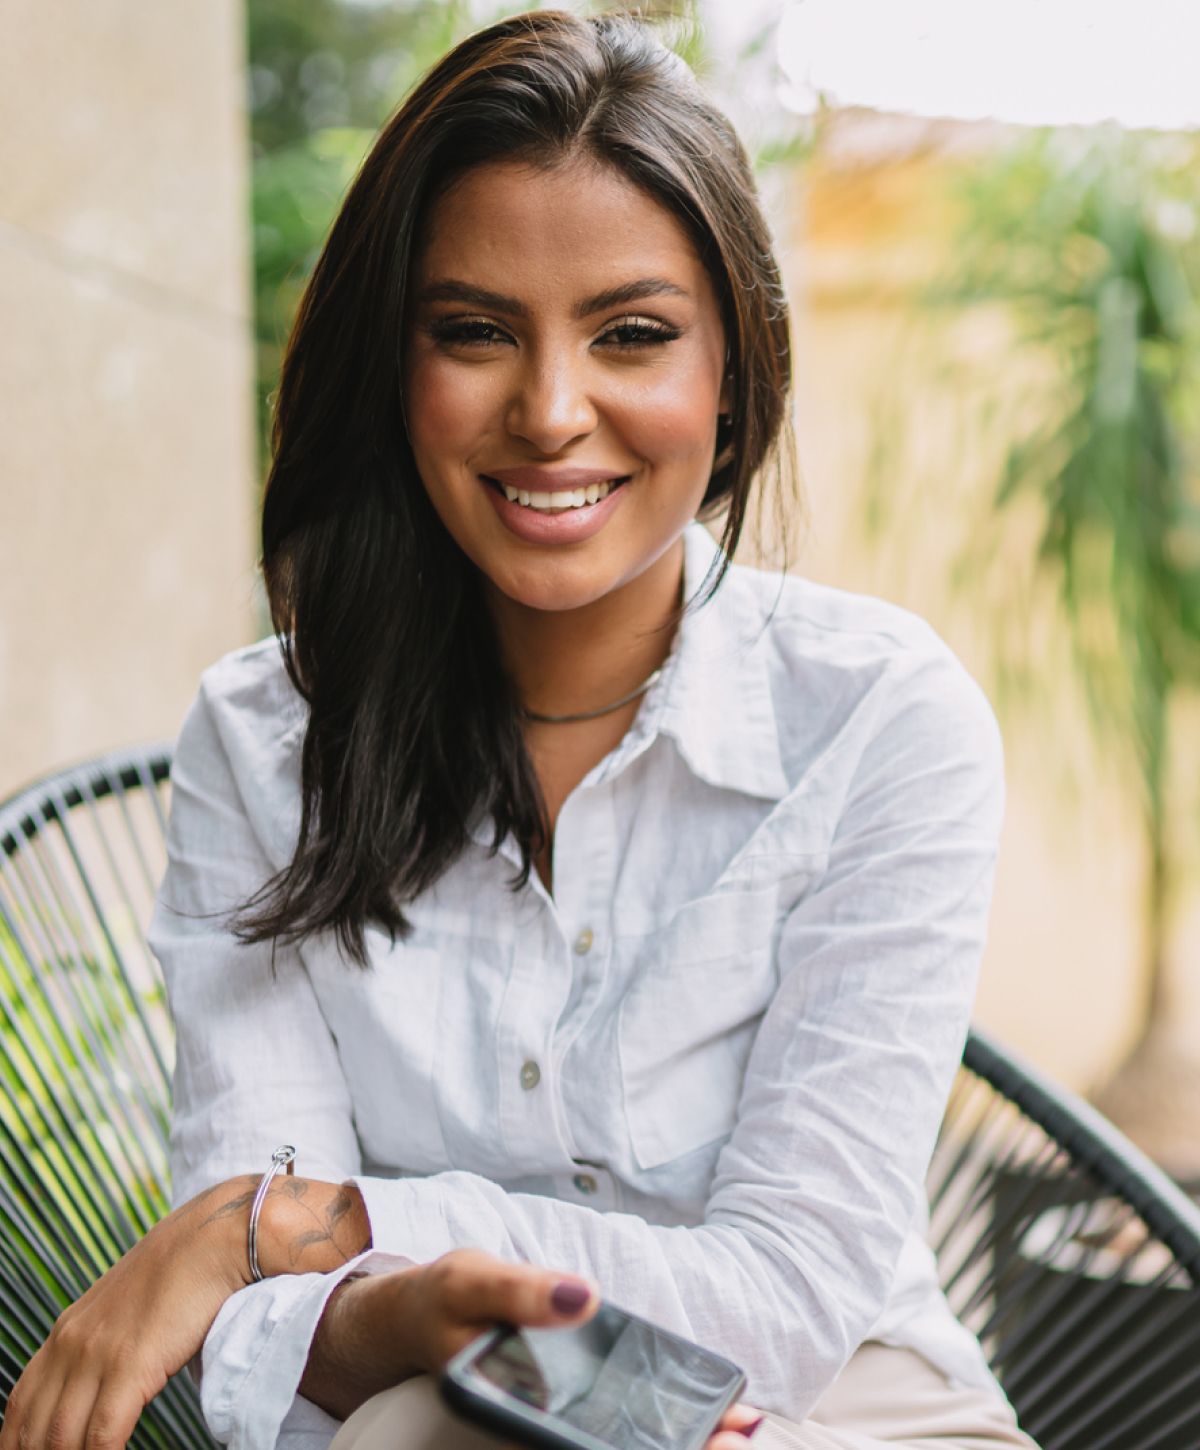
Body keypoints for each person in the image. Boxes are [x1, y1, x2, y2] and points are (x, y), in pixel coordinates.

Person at [0, 11, 1040, 1450]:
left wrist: (306, 1222)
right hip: (450, 1405)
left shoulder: (880, 720)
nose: (552, 412)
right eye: (476, 332)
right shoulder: (261, 743)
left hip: (838, 1410)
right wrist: (421, 1305)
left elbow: (789, 1302)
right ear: (395, 365)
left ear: (733, 370)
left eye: (633, 334)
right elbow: (258, 1333)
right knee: (433, 1418)